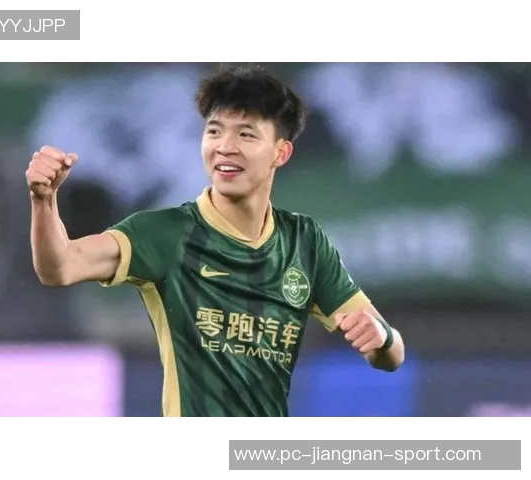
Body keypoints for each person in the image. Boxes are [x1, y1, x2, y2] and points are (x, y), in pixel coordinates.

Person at [26, 64, 405, 417]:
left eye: (246, 134)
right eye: (214, 131)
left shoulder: (305, 242)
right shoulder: (167, 232)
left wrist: (382, 339)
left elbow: (391, 354)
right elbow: (61, 267)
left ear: (281, 152)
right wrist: (44, 201)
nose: (225, 146)